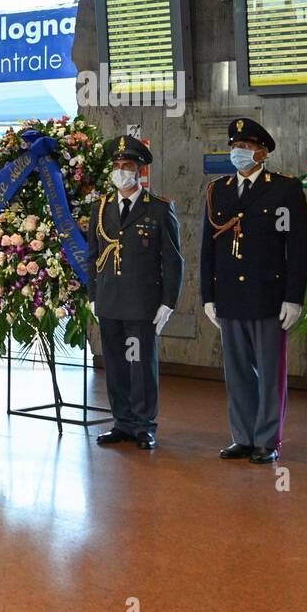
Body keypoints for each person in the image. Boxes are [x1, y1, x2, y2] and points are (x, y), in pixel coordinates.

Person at [202, 118, 307, 464]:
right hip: (230, 297)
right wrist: (208, 296)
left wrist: (294, 297)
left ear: (262, 152)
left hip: (269, 297)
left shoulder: (283, 189)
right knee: (236, 373)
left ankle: (267, 440)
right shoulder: (218, 190)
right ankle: (243, 437)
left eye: (245, 147)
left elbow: (298, 247)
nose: (238, 153)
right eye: (235, 146)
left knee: (269, 372)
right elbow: (209, 247)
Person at [87, 136, 184, 450]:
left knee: (141, 365)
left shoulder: (158, 209)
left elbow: (172, 259)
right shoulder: (100, 208)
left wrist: (168, 302)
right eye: (116, 166)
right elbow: (92, 255)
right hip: (110, 301)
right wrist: (92, 295)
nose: (120, 171)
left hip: (142, 304)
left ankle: (144, 425)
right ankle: (123, 423)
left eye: (126, 166)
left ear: (140, 171)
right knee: (114, 365)